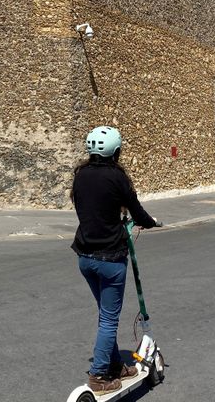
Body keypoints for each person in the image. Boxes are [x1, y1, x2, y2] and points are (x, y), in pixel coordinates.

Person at [71, 125, 160, 394]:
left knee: (105, 315)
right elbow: (137, 211)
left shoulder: (80, 175)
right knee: (109, 319)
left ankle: (114, 365)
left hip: (85, 257)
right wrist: (151, 223)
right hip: (110, 259)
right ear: (117, 152)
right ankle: (99, 376)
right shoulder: (117, 177)